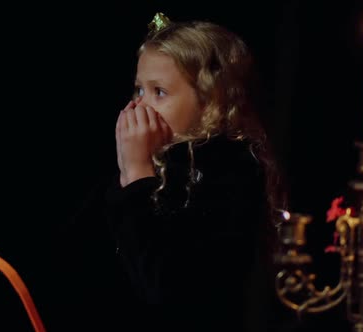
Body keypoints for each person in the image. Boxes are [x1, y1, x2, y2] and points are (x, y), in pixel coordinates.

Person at [62, 12, 287, 332]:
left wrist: (137, 174)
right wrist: (129, 172)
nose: (140, 106)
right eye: (139, 90)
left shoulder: (231, 169)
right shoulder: (145, 163)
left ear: (211, 101)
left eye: (160, 92)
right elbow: (73, 261)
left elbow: (164, 286)